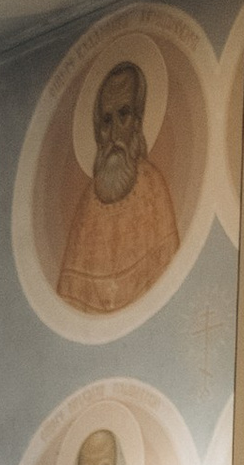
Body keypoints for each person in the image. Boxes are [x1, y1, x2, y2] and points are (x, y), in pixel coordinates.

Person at [55, 57, 180, 315]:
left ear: (137, 121)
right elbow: (70, 299)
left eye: (123, 115)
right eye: (106, 120)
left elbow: (169, 278)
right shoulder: (88, 202)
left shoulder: (152, 188)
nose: (112, 134)